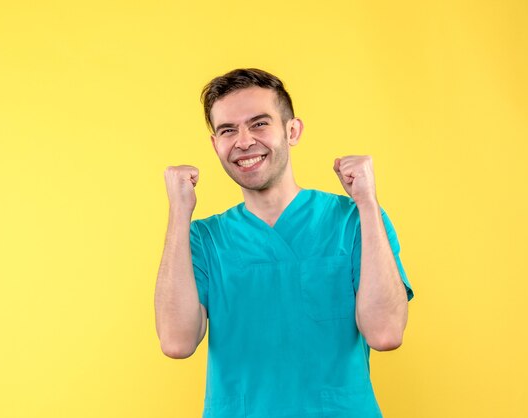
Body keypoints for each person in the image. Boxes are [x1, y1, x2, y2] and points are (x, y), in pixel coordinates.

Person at [154, 68, 414, 418]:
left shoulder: (353, 221)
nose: (244, 141)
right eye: (228, 130)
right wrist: (178, 214)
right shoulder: (203, 239)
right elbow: (176, 342)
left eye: (259, 123)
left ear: (292, 131)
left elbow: (385, 334)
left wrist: (367, 202)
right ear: (215, 144)